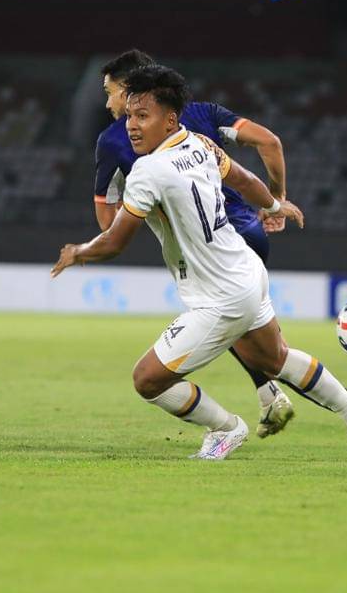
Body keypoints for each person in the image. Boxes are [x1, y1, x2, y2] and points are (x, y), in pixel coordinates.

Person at [53, 65, 347, 461]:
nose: (132, 126)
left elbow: (115, 241)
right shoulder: (200, 143)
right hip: (247, 272)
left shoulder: (147, 171)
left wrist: (80, 252)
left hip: (219, 298)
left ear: (170, 120)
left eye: (143, 116)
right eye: (130, 115)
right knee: (274, 359)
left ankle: (225, 428)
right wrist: (276, 205)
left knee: (147, 380)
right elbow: (246, 180)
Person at [92, 49, 298, 438]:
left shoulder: (113, 140)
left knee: (220, 323)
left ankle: (250, 411)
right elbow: (269, 142)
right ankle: (287, 397)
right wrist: (276, 201)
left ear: (130, 88)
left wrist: (141, 210)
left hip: (206, 246)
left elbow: (107, 222)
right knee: (263, 343)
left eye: (111, 92)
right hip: (248, 233)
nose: (109, 103)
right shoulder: (201, 113)